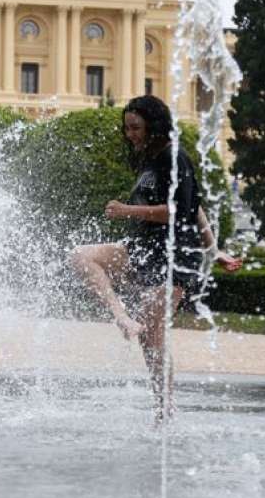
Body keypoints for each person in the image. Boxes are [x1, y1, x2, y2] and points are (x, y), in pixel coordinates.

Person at [70, 95, 242, 420]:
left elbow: (184, 211)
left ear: (153, 124)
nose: (130, 134)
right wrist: (214, 248)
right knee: (81, 256)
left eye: (135, 127)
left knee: (153, 336)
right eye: (127, 128)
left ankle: (165, 413)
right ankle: (122, 317)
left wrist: (127, 210)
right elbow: (199, 204)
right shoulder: (147, 159)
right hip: (142, 249)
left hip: (173, 258)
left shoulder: (175, 157)